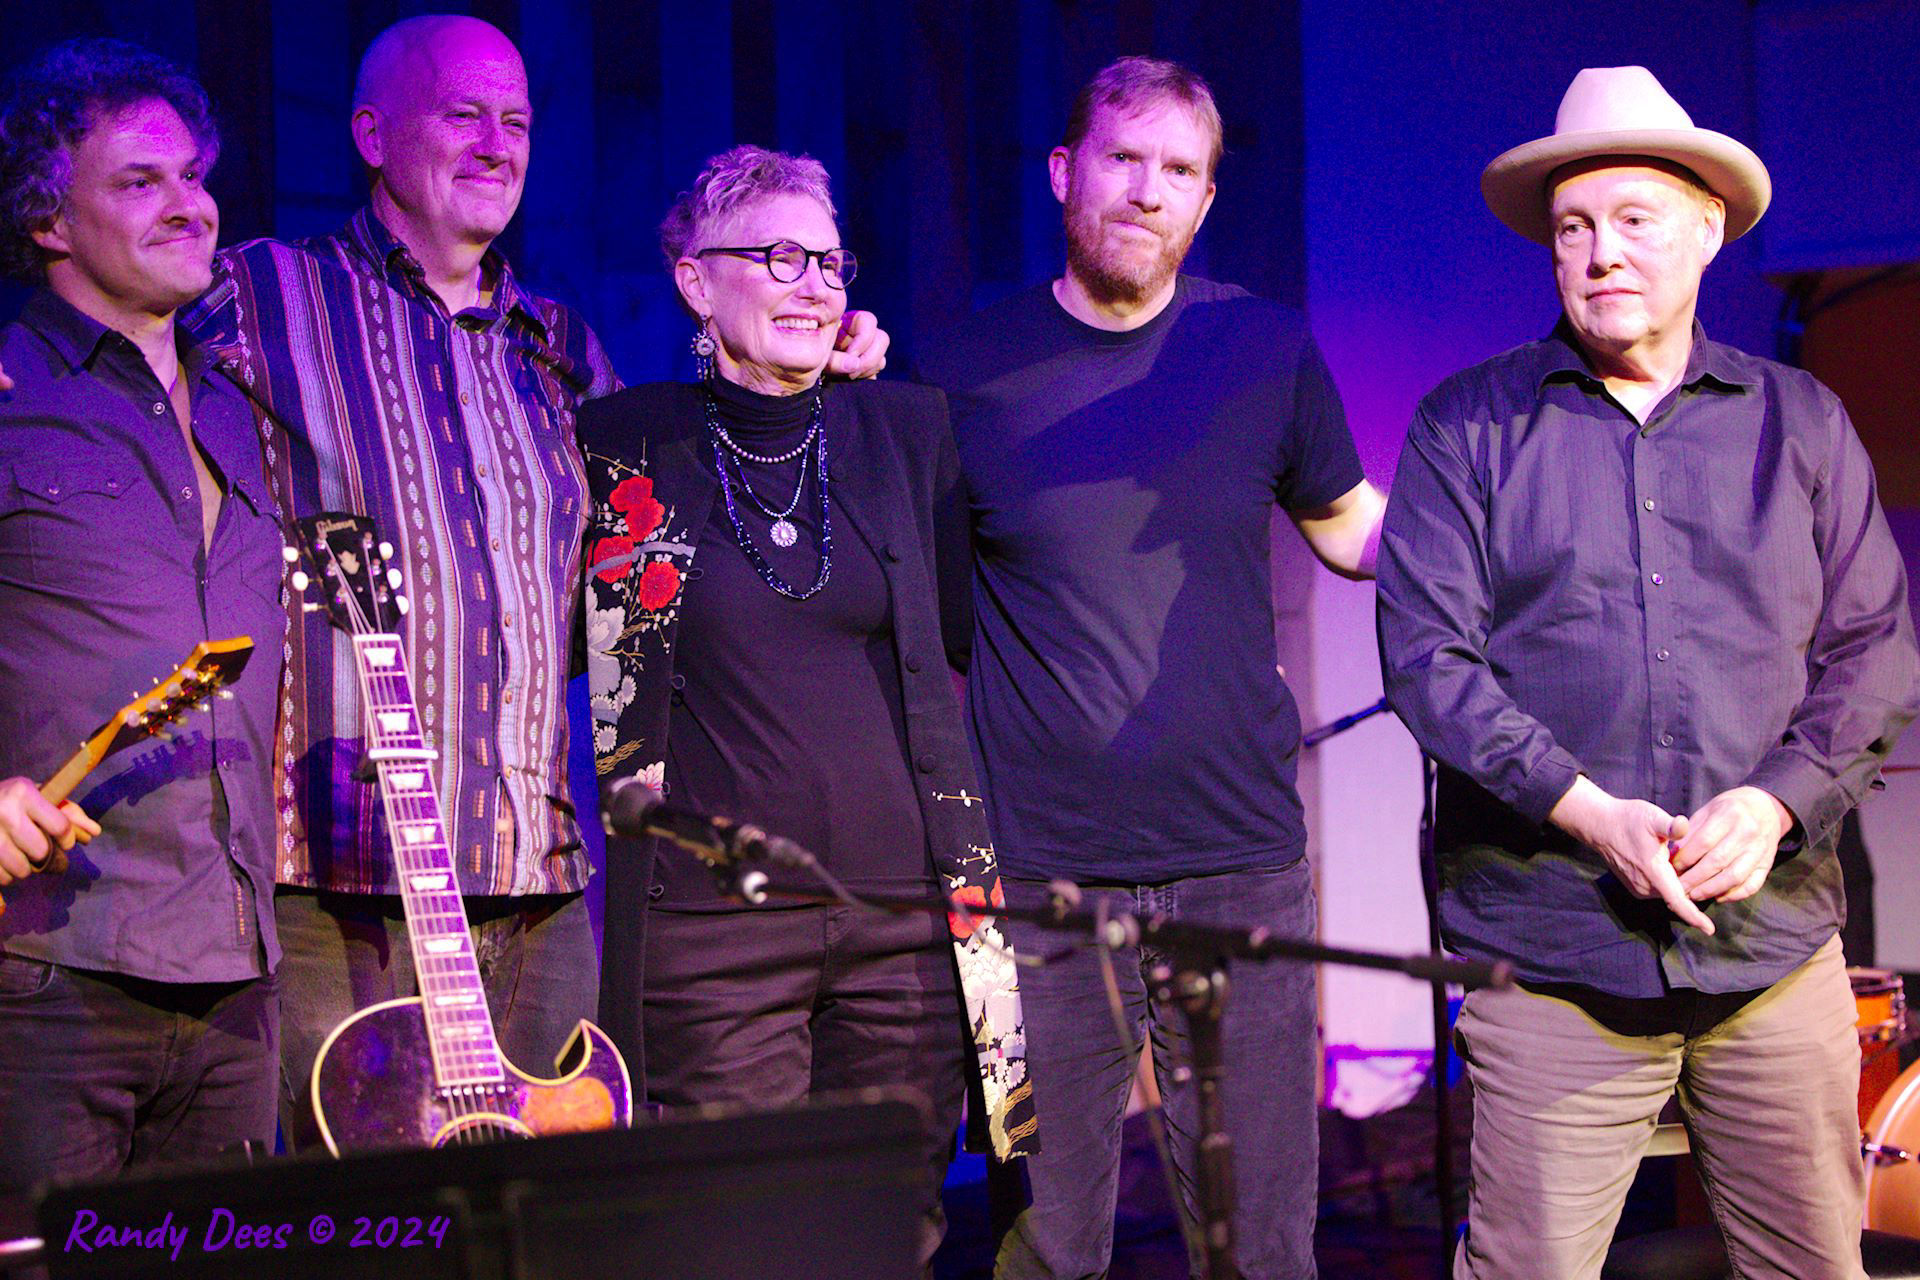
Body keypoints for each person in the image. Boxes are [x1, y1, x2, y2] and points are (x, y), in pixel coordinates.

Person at [171, 16, 887, 1148]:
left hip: (535, 875)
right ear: (371, 134)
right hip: (342, 872)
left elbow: (684, 548)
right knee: (360, 1214)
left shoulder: (558, 347)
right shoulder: (264, 295)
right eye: (463, 114)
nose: (497, 142)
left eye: (516, 120)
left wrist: (814, 381)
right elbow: (109, 357)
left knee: (543, 1213)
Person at [1377, 65, 1920, 1280]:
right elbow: (1427, 660)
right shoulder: (1468, 427)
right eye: (1574, 228)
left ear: (1708, 229)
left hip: (1770, 953)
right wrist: (1590, 811)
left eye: (1634, 218)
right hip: (1556, 954)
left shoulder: (1802, 421)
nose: (1601, 252)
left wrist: (1773, 802)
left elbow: (1875, 647)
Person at [923, 57, 1385, 1280]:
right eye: (1123, 159)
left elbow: (1353, 532)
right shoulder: (960, 371)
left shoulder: (1262, 346)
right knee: (1043, 1240)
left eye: (1179, 170)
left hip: (1243, 866)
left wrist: (1500, 513)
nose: (1147, 190)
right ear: (1063, 172)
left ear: (1207, 198)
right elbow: (940, 618)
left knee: (1262, 1244)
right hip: (1032, 881)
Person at [580, 144, 1036, 1261]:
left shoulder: (906, 433)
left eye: (829, 261)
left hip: (907, 927)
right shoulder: (626, 446)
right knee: (742, 1240)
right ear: (696, 281)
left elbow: (975, 635)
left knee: (893, 1233)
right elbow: (590, 674)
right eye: (779, 257)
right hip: (713, 938)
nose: (815, 284)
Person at [0, 39, 286, 1220]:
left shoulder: (243, 405)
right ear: (48, 219)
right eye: (138, 181)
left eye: (193, 176)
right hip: (50, 967)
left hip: (237, 970)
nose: (188, 204)